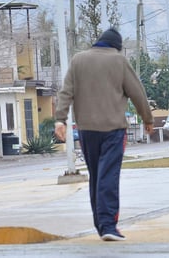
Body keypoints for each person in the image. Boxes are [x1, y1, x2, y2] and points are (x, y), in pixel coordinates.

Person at [54, 28, 154, 241]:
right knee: (108, 175)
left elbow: (66, 92)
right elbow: (137, 92)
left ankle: (101, 225)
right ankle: (108, 225)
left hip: (87, 130)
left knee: (96, 176)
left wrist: (60, 119)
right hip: (113, 129)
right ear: (116, 46)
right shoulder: (119, 61)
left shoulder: (78, 60)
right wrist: (147, 119)